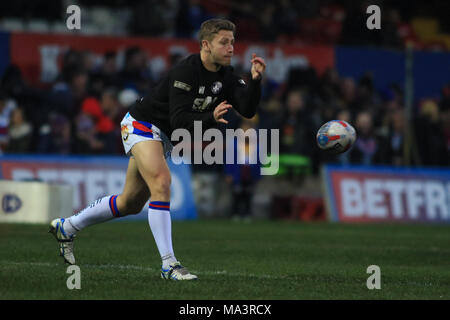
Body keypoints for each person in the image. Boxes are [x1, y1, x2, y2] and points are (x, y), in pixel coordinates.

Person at [49, 18, 266, 281]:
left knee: (130, 202)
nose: (231, 48)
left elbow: (248, 109)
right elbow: (179, 121)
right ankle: (169, 264)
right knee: (162, 182)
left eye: (232, 42)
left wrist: (255, 82)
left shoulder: (226, 75)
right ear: (206, 45)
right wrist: (210, 118)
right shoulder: (186, 72)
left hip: (163, 136)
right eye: (224, 42)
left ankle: (67, 226)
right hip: (141, 124)